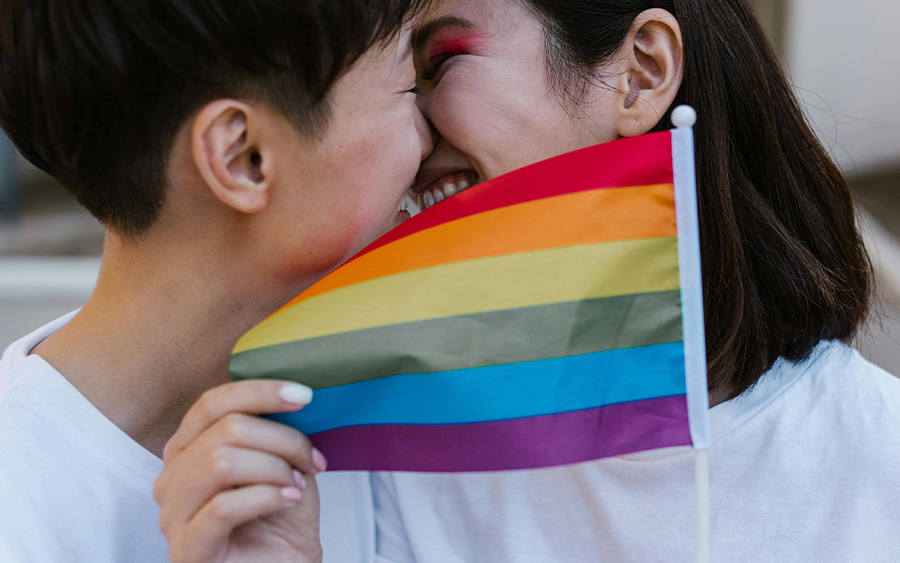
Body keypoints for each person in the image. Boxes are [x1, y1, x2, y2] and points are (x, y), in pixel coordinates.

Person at [156, 0, 900, 562]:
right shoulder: (359, 462)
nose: (403, 139)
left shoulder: (879, 454)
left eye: (437, 62)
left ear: (639, 72)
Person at [0, 0, 432, 561]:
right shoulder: (21, 513)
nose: (435, 137)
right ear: (244, 158)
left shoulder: (367, 409)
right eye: (412, 87)